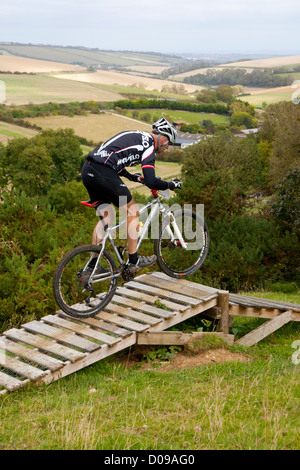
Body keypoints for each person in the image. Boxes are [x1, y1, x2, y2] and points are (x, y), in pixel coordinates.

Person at [81, 117, 182, 274]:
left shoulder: (138, 137)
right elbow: (151, 181)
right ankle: (134, 260)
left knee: (107, 218)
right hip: (102, 171)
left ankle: (92, 267)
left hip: (88, 170)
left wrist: (132, 177)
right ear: (163, 138)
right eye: (169, 143)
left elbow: (116, 159)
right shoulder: (148, 145)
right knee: (133, 210)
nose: (167, 148)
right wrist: (171, 185)